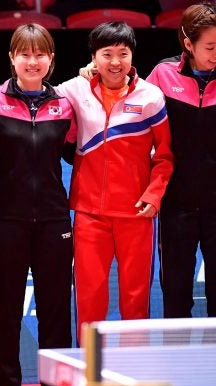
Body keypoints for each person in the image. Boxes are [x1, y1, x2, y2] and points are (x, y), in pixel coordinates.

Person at [0, 23, 76, 386]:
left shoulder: (66, 104)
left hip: (53, 216)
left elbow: (74, 150)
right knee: (7, 303)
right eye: (25, 54)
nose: (33, 61)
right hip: (5, 216)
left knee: (55, 305)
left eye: (40, 54)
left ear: (51, 59)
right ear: (12, 58)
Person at [57, 22, 173, 335]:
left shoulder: (151, 96)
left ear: (132, 55)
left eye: (123, 53)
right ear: (93, 58)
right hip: (89, 213)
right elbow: (35, 96)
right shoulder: (73, 90)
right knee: (90, 299)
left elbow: (164, 156)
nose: (115, 61)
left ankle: (131, 379)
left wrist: (153, 195)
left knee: (135, 301)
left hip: (136, 213)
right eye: (106, 54)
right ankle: (92, 378)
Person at [147, 2, 216, 318]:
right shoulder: (163, 75)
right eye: (210, 46)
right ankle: (178, 366)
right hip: (176, 205)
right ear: (188, 43)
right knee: (176, 297)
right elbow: (130, 106)